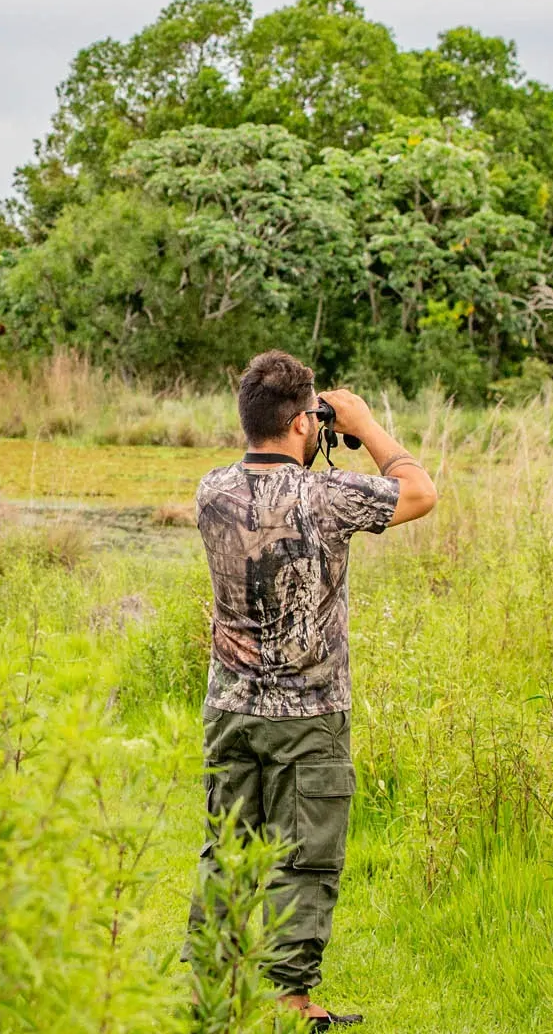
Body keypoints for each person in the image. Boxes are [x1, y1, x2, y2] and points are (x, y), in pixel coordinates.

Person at [188, 350, 438, 1028]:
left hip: (231, 705)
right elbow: (419, 490)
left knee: (228, 845)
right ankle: (290, 998)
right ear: (304, 422)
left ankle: (213, 985)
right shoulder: (327, 496)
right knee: (306, 853)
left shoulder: (211, 490)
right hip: (311, 709)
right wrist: (365, 424)